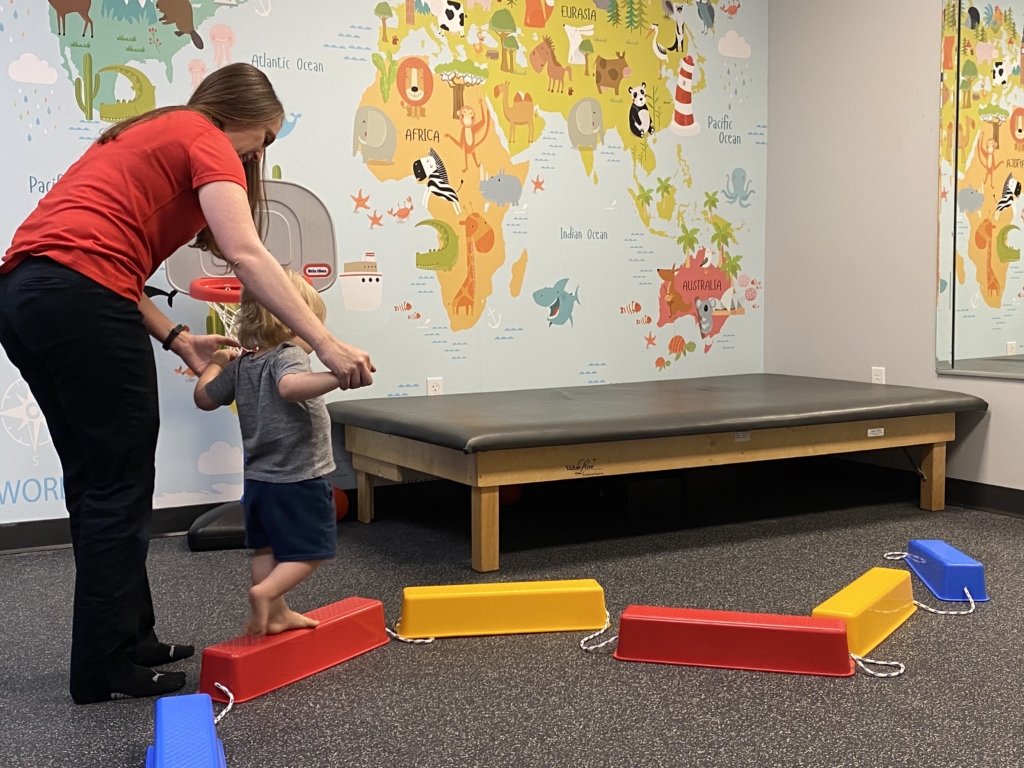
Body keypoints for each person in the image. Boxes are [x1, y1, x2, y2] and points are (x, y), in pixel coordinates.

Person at [0, 63, 374, 704]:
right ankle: (104, 668)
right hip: (80, 300)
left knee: (101, 483)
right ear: (239, 117)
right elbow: (249, 253)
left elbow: (107, 263)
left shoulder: (150, 135)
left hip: (25, 296)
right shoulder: (204, 134)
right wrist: (325, 341)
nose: (262, 152)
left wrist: (177, 337)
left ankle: (131, 638)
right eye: (265, 136)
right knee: (117, 486)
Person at [194, 271, 340, 637]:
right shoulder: (288, 356)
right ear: (294, 322)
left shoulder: (242, 363)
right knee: (312, 551)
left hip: (259, 482)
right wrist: (338, 375)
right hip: (299, 477)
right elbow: (291, 388)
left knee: (266, 550)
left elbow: (204, 398)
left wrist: (216, 362)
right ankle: (267, 592)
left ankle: (276, 615)